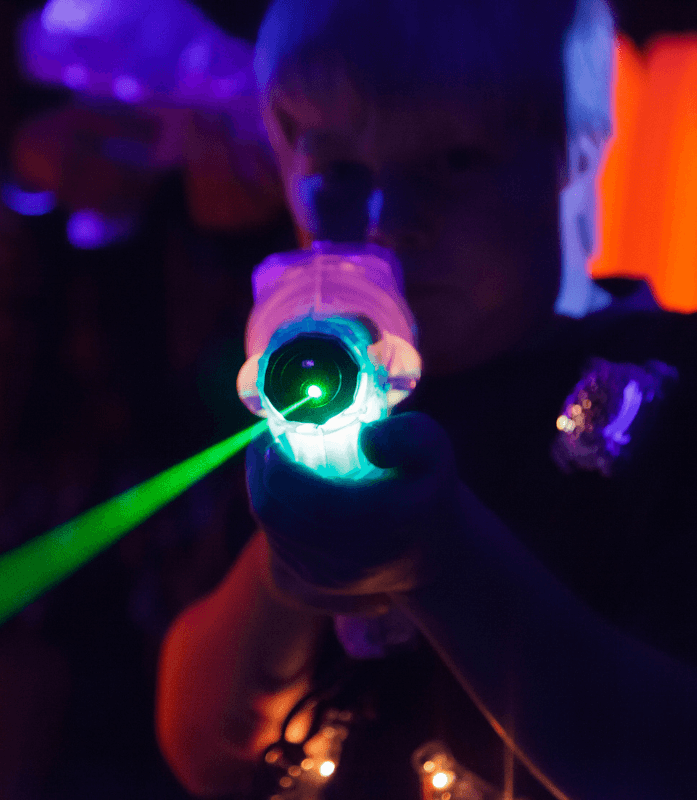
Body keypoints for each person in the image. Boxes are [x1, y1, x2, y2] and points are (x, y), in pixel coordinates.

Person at [156, 1, 697, 798]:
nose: (389, 222)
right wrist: (283, 572)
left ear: (577, 153)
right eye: (339, 171)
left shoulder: (673, 387)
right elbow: (204, 751)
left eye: (455, 161)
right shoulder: (313, 387)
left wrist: (439, 560)